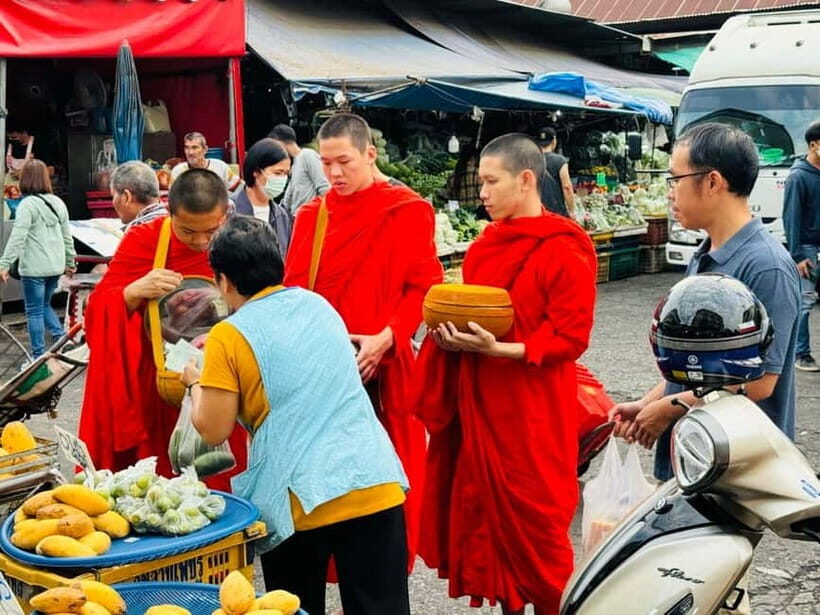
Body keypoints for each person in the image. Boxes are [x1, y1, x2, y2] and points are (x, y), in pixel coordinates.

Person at [181, 216, 410, 615]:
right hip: (372, 480)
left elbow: (213, 429)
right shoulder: (318, 305)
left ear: (223, 281)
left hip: (299, 501)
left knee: (293, 607)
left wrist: (194, 383)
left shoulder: (228, 336)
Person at [414, 133, 597, 614]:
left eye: (492, 182)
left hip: (535, 412)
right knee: (491, 531)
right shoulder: (485, 247)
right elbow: (477, 314)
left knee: (540, 537)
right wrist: (450, 339)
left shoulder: (566, 248)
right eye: (481, 183)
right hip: (483, 405)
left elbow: (571, 338)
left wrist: (501, 349)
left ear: (526, 180)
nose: (483, 194)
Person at [284, 113, 442, 571]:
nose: (334, 173)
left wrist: (387, 338)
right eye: (326, 163)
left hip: (384, 368)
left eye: (344, 162)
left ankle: (383, 576)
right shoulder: (312, 216)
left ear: (370, 154)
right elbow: (295, 293)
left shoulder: (407, 209)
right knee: (325, 483)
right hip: (324, 372)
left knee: (388, 483)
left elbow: (423, 286)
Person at [611, 123, 801, 481]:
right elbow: (701, 366)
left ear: (712, 182)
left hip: (735, 472)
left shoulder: (766, 266)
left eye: (675, 179)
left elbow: (761, 382)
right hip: (698, 457)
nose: (669, 192)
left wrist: (670, 408)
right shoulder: (705, 256)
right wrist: (648, 402)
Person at [78, 169, 247, 488]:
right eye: (188, 231)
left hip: (218, 377)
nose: (200, 242)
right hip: (158, 382)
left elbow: (264, 303)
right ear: (170, 213)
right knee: (157, 480)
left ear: (225, 215)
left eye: (211, 231)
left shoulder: (238, 244)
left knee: (219, 475)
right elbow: (98, 309)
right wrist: (133, 291)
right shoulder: (145, 239)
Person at [0, 160, 75, 357]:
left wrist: (4, 264)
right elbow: (67, 236)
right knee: (44, 305)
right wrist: (70, 261)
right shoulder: (58, 203)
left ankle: (37, 356)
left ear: (25, 179)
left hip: (34, 268)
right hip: (55, 266)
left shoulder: (27, 205)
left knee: (34, 311)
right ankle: (61, 338)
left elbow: (17, 237)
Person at [783, 119, 820, 371]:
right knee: (804, 302)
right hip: (806, 249)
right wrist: (796, 256)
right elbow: (791, 218)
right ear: (814, 145)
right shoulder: (798, 177)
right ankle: (801, 354)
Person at [233, 138, 293, 255]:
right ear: (256, 171)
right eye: (277, 173)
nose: (282, 179)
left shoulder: (282, 216)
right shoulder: (230, 210)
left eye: (286, 174)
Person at [268, 124, 329, 214]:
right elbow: (288, 198)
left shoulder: (307, 155)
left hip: (310, 217)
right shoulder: (294, 164)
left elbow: (325, 188)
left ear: (279, 141)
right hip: (297, 218)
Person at [170, 132, 241, 196]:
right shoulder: (178, 171)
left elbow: (238, 189)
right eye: (187, 148)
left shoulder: (220, 167)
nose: (190, 152)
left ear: (205, 149)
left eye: (195, 147)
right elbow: (173, 197)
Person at [110, 161, 167, 230]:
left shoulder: (137, 232)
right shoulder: (174, 221)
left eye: (113, 196)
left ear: (127, 197)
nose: (113, 202)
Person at [537, 127, 575, 217]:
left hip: (536, 211)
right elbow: (567, 187)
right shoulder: (560, 161)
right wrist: (571, 211)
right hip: (556, 212)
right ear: (554, 141)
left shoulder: (530, 160)